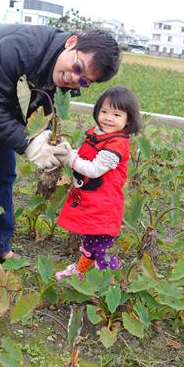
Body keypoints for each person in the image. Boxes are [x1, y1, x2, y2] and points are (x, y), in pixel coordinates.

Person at [0, 24, 121, 264]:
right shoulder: (22, 47)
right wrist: (29, 143)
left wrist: (50, 140)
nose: (74, 79)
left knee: (3, 173)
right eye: (77, 68)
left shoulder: (62, 71)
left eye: (84, 81)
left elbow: (40, 108)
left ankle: (0, 245)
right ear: (71, 42)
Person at [55, 85, 142, 280]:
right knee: (90, 243)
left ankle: (109, 282)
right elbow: (83, 155)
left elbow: (94, 170)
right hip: (91, 200)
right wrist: (67, 150)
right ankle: (82, 272)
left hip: (104, 205)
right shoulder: (97, 134)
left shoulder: (117, 144)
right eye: (104, 111)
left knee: (103, 248)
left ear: (129, 119)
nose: (108, 118)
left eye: (117, 114)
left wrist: (69, 157)